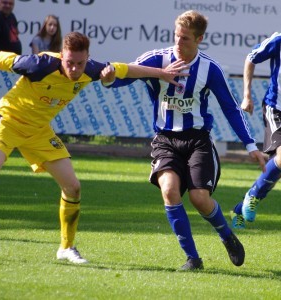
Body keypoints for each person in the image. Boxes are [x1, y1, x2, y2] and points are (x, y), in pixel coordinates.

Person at [0, 32, 188, 264]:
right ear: (62, 56)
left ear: (87, 58)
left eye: (80, 63)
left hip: (39, 131)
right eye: (70, 63)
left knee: (73, 186)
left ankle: (66, 248)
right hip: (8, 120)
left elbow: (127, 69)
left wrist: (161, 74)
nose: (75, 69)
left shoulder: (92, 70)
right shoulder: (39, 64)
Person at [105, 10, 266, 271]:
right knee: (169, 191)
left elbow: (230, 108)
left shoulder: (209, 68)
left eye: (186, 39)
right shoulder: (157, 59)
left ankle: (226, 235)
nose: (178, 43)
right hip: (165, 140)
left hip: (197, 141)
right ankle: (193, 258)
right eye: (176, 37)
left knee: (199, 199)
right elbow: (123, 76)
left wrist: (251, 146)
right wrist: (108, 77)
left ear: (200, 39)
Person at [231, 32, 281, 229]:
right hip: (276, 109)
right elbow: (251, 58)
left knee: (277, 165)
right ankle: (252, 196)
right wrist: (247, 95)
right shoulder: (278, 40)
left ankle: (239, 207)